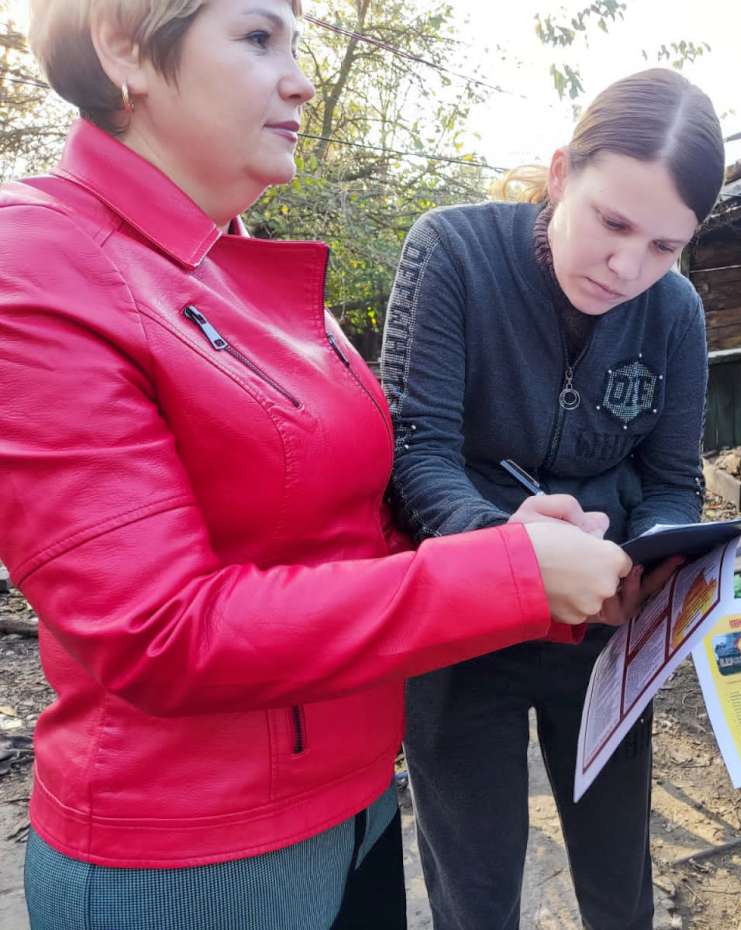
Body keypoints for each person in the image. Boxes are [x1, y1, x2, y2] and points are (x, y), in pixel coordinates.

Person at [0, 1, 633, 928]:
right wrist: (506, 575)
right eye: (258, 38)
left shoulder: (236, 263)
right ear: (123, 46)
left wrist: (506, 550)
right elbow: (156, 630)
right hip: (192, 858)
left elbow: (339, 538)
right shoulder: (39, 261)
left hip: (354, 802)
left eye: (297, 43)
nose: (299, 79)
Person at [380, 68, 725, 930]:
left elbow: (671, 480)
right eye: (613, 223)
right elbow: (415, 448)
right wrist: (505, 549)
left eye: (665, 246)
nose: (628, 267)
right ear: (562, 171)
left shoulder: (675, 312)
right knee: (475, 884)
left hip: (605, 632)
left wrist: (661, 562)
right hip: (462, 626)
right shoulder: (454, 253)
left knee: (618, 874)